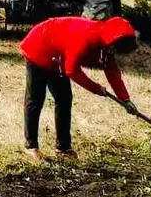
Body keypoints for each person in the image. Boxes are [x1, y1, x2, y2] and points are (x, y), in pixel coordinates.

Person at [19, 16, 139, 162]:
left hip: (59, 57)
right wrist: (95, 88)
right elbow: (72, 70)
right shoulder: (85, 37)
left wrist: (125, 98)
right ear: (113, 42)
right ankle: (31, 147)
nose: (116, 53)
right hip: (38, 47)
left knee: (64, 100)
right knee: (36, 99)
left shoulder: (106, 43)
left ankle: (63, 148)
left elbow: (112, 71)